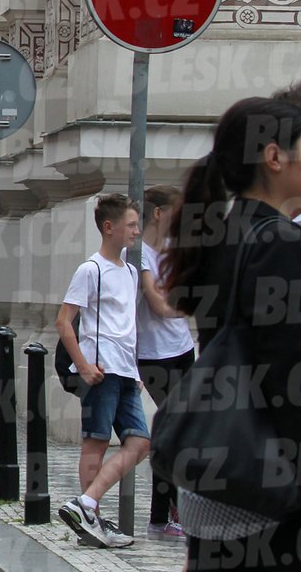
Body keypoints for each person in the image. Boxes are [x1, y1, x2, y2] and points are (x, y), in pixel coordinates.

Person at [162, 97, 301, 571]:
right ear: (274, 156)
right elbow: (285, 376)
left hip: (222, 474)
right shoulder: (279, 242)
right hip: (265, 491)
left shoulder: (219, 231)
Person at [56, 193, 147, 549]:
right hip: (102, 371)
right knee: (95, 444)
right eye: (131, 225)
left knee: (139, 442)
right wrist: (82, 365)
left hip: (125, 372)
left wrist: (136, 370)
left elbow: (127, 325)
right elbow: (64, 322)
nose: (136, 232)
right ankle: (89, 522)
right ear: (109, 228)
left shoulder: (131, 272)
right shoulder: (90, 269)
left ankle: (86, 505)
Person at [136, 185, 195, 541]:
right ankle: (163, 514)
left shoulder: (173, 249)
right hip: (153, 356)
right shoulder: (141, 254)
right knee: (172, 431)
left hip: (183, 348)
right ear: (159, 213)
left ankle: (171, 509)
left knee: (185, 430)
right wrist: (184, 305)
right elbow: (157, 304)